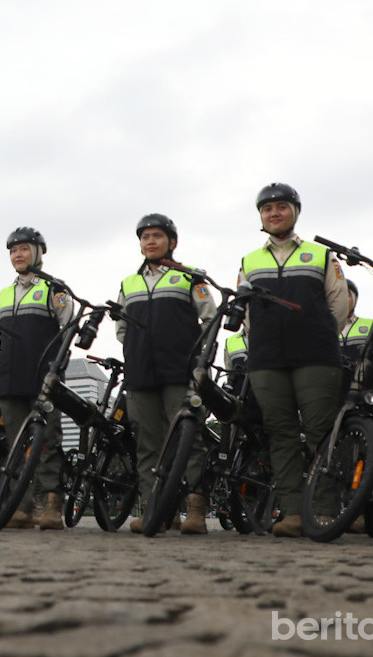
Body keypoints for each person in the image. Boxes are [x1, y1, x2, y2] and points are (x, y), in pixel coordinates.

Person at [238, 183, 347, 538]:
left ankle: (325, 509)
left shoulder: (320, 255)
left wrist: (321, 333)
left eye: (281, 207)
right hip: (267, 360)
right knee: (280, 435)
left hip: (316, 356)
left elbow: (339, 304)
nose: (274, 213)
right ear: (260, 217)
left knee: (320, 432)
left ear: (295, 211)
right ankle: (293, 512)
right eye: (267, 209)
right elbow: (247, 315)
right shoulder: (249, 261)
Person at [115, 214, 217, 535]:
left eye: (157, 236)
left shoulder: (190, 278)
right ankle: (155, 510)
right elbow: (121, 329)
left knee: (189, 441)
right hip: (140, 373)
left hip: (179, 372)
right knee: (148, 444)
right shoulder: (128, 283)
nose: (150, 242)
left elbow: (211, 319)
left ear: (171, 241)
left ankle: (195, 511)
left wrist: (196, 359)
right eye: (145, 237)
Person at [0, 227, 73, 530]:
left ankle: (51, 503)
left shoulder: (55, 288)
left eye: (24, 249)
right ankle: (22, 506)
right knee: (15, 444)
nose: (18, 255)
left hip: (43, 377)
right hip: (10, 377)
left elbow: (68, 330)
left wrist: (56, 370)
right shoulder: (5, 292)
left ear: (39, 253)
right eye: (13, 250)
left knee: (47, 441)